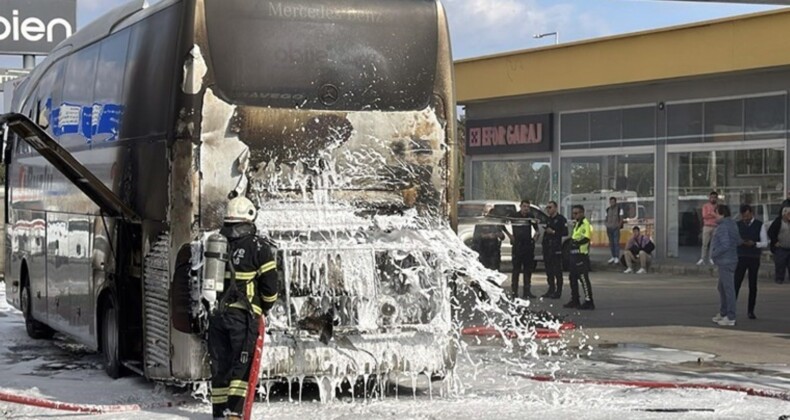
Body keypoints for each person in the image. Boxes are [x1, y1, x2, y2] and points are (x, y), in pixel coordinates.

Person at [209, 196, 279, 420]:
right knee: (242, 365)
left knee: (220, 365)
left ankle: (219, 413)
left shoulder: (214, 242)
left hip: (216, 315)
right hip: (243, 317)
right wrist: (264, 308)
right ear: (250, 217)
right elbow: (270, 289)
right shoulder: (259, 247)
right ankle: (234, 414)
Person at [734, 204, 767, 320]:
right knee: (736, 283)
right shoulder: (737, 225)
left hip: (753, 256)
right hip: (741, 256)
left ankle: (751, 310)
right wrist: (740, 242)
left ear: (751, 213)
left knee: (753, 285)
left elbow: (765, 242)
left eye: (747, 216)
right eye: (743, 217)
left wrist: (755, 244)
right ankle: (731, 308)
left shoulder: (759, 225)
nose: (745, 219)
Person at [710, 204, 740, 327]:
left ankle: (730, 316)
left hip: (725, 261)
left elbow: (725, 245)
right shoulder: (733, 224)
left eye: (716, 213)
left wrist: (714, 254)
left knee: (728, 289)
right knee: (722, 287)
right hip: (731, 259)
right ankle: (724, 313)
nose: (714, 216)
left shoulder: (723, 227)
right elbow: (738, 240)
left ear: (722, 214)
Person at [564, 205, 595, 310]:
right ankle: (575, 299)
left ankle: (589, 301)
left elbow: (587, 238)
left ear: (582, 213)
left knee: (583, 278)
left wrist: (576, 243)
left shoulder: (585, 223)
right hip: (574, 255)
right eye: (573, 213)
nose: (574, 215)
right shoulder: (577, 223)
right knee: (572, 277)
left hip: (581, 255)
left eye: (577, 213)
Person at [510, 199, 539, 299]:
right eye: (524, 206)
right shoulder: (515, 216)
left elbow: (537, 230)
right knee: (516, 270)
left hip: (528, 246)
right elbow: (502, 223)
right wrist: (510, 236)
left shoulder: (530, 216)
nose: (526, 208)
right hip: (517, 246)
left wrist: (534, 240)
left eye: (528, 206)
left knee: (527, 270)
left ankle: (527, 291)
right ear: (520, 206)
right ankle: (514, 292)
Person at [542, 201, 568, 299]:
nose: (548, 209)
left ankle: (558, 291)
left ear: (555, 208)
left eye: (550, 207)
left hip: (556, 248)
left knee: (557, 270)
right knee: (549, 271)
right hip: (548, 248)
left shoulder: (561, 219)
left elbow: (565, 232)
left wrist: (553, 232)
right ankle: (551, 288)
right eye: (547, 208)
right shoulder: (548, 219)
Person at [473, 204, 506, 271]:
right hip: (483, 251)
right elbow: (476, 236)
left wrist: (499, 235)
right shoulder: (481, 223)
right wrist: (487, 236)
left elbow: (502, 237)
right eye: (487, 212)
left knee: (494, 271)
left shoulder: (496, 223)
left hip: (494, 252)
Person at [767, 206, 790, 284]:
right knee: (780, 264)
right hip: (781, 248)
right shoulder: (778, 222)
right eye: (788, 214)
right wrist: (775, 241)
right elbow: (770, 232)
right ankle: (779, 278)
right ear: (784, 214)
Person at [697, 191, 719, 265]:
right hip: (707, 226)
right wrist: (714, 214)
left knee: (713, 244)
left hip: (715, 226)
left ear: (716, 198)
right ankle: (702, 258)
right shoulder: (705, 206)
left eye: (714, 198)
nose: (713, 199)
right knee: (704, 244)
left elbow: (719, 216)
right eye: (711, 197)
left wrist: (710, 214)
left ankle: (711, 258)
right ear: (709, 198)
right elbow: (704, 216)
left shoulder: (718, 207)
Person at [605, 197, 623, 265]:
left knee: (616, 243)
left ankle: (617, 257)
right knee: (611, 243)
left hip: (615, 228)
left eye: (613, 201)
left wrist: (618, 226)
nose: (612, 203)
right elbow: (606, 218)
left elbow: (621, 218)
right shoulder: (607, 210)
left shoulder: (619, 209)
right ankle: (613, 256)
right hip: (609, 228)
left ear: (615, 202)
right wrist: (606, 224)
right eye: (611, 202)